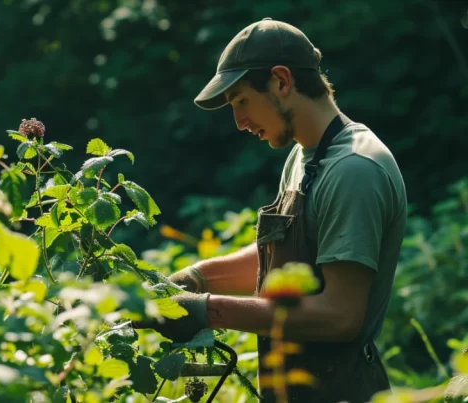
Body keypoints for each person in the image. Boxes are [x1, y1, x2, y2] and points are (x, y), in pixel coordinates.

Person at [135, 18, 408, 403]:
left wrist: (208, 312)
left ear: (281, 81)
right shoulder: (304, 155)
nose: (240, 122)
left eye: (242, 101)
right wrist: (194, 279)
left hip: (343, 390)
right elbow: (283, 259)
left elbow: (340, 316)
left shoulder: (354, 169)